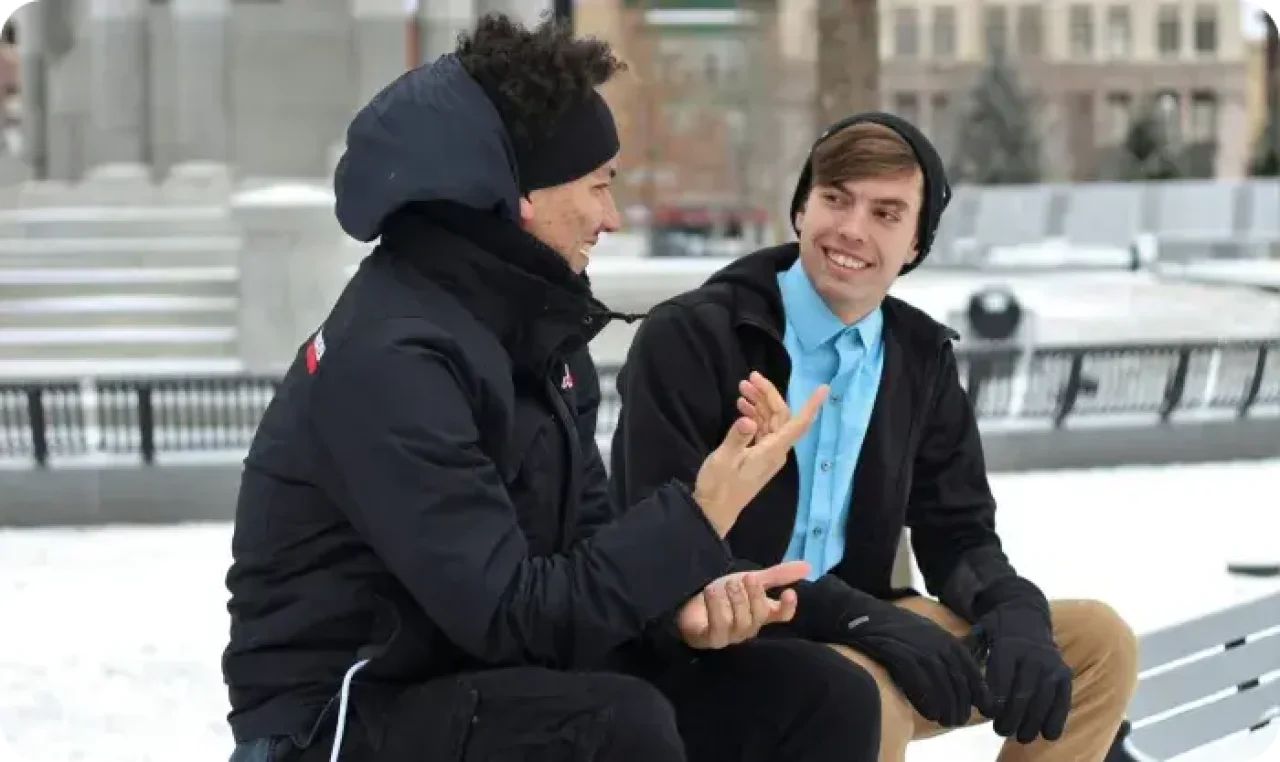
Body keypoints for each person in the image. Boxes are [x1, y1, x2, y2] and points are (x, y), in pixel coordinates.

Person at [221, 14, 882, 762]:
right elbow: (510, 613)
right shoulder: (393, 358)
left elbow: (582, 553)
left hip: (488, 680)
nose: (611, 216)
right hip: (343, 718)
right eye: (599, 186)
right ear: (520, 195)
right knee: (613, 725)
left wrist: (680, 610)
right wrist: (704, 513)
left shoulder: (532, 336)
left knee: (819, 698)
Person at [609, 113, 1141, 762]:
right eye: (836, 199)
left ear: (916, 243)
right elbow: (657, 551)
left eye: (887, 213)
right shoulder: (695, 338)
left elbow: (959, 530)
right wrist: (861, 619)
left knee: (1098, 644)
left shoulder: (917, 357)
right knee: (862, 696)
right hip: (721, 640)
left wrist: (1014, 610)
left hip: (867, 626)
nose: (852, 230)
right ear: (801, 208)